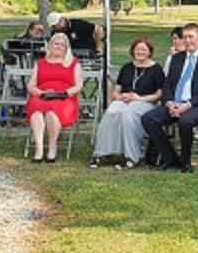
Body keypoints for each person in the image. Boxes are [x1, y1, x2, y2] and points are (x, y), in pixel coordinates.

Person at [143, 21, 198, 172]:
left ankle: (186, 162)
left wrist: (187, 105)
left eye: (191, 37)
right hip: (176, 103)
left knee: (185, 120)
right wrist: (169, 103)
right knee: (148, 118)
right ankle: (170, 158)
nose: (187, 41)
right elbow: (168, 85)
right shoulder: (177, 58)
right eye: (184, 37)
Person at [91, 38, 165, 169]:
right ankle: (102, 152)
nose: (140, 52)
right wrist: (121, 96)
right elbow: (115, 92)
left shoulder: (156, 69)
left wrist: (138, 98)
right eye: (137, 49)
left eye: (143, 49)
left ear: (149, 52)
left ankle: (133, 155)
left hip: (145, 103)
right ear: (132, 51)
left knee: (128, 113)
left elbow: (159, 95)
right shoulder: (127, 67)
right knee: (112, 111)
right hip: (124, 101)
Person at [26, 32, 83, 163]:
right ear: (50, 46)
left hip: (64, 97)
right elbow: (31, 84)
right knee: (36, 110)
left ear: (67, 48)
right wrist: (39, 92)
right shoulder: (40, 63)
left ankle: (52, 147)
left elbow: (79, 85)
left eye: (62, 45)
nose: (58, 47)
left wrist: (65, 93)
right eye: (56, 44)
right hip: (42, 95)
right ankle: (39, 149)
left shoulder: (73, 63)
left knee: (53, 111)